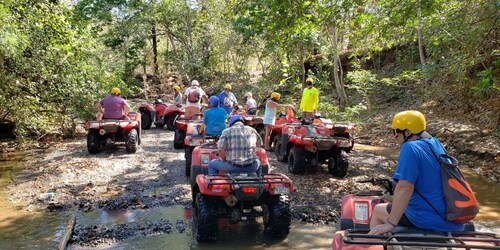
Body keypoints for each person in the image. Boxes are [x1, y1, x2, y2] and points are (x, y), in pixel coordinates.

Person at [368, 110, 465, 235]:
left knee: (377, 210)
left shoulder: (410, 147)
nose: (395, 137)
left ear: (407, 132)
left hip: (427, 218)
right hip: (452, 217)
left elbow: (405, 187)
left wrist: (390, 224)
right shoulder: (436, 143)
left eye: (396, 132)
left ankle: (374, 244)